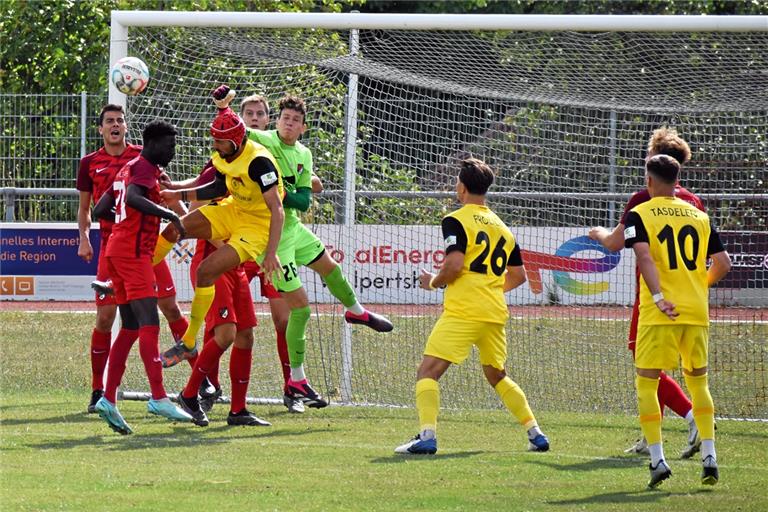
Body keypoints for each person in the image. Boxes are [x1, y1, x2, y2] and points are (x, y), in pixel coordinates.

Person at [223, 87, 394, 409]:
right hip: (268, 236)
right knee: (299, 310)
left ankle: (356, 312)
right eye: (285, 118)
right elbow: (237, 132)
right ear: (278, 122)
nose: (289, 124)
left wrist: (284, 187)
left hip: (294, 228)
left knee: (331, 268)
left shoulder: (303, 153)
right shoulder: (265, 141)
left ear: (303, 127)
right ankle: (297, 379)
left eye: (295, 120)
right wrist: (225, 106)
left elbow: (303, 199)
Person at [394, 158, 549, 455]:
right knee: (497, 375)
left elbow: (453, 265)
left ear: (461, 187)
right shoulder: (504, 228)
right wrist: (488, 287)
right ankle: (535, 433)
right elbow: (518, 276)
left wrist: (433, 282)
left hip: (464, 310)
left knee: (427, 372)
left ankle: (427, 436)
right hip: (493, 311)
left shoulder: (455, 219)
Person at [589, 127, 705, 459]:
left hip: (655, 296)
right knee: (678, 368)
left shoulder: (645, 197)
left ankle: (690, 415)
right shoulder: (693, 202)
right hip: (691, 297)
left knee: (644, 362)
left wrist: (596, 232)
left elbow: (614, 243)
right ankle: (649, 434)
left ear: (654, 159)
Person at [152, 91, 284, 379]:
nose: (214, 143)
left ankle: (189, 342)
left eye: (218, 139)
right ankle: (137, 273)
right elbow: (214, 188)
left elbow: (278, 209)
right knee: (174, 228)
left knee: (208, 272)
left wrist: (271, 253)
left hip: (256, 226)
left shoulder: (259, 162)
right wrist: (176, 192)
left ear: (235, 141)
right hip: (233, 209)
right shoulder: (223, 154)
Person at [623, 154, 730, 488]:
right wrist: (698, 286)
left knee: (647, 382)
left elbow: (643, 256)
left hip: (659, 313)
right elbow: (723, 263)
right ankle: (709, 456)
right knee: (699, 383)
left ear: (649, 181)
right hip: (695, 312)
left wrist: (657, 296)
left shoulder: (639, 213)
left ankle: (657, 460)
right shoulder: (700, 215)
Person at [76, 104, 191, 414]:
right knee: (147, 322)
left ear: (128, 128)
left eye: (120, 120)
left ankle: (109, 400)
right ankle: (158, 398)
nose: (173, 151)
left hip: (122, 249)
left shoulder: (132, 165)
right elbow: (131, 199)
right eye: (170, 145)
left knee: (130, 324)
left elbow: (104, 207)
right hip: (133, 253)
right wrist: (168, 215)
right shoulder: (138, 166)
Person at [240, 94, 321, 413]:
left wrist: (310, 181)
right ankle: (209, 386)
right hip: (244, 245)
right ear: (242, 119)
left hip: (276, 246)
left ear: (268, 120)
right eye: (249, 113)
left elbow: (308, 182)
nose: (255, 118)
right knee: (229, 325)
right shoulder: (236, 153)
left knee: (284, 320)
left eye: (260, 113)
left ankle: (293, 387)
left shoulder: (276, 148)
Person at [173, 163, 270, 427]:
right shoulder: (216, 171)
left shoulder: (253, 173)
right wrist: (232, 246)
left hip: (235, 265)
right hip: (214, 264)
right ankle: (190, 394)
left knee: (246, 335)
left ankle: (238, 410)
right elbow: (194, 219)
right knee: (225, 334)